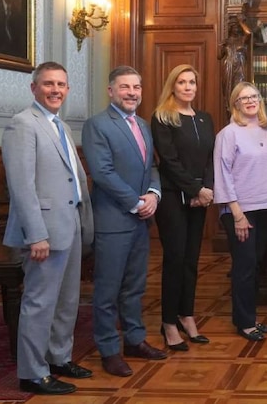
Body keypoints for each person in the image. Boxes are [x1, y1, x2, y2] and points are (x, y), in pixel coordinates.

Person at [2, 62, 94, 395]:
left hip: (69, 226)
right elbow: (22, 186)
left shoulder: (62, 126)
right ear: (34, 88)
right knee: (40, 303)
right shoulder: (22, 125)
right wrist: (35, 234)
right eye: (48, 84)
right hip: (43, 233)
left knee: (67, 300)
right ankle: (32, 371)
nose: (56, 90)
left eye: (61, 84)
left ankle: (58, 358)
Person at [82, 65, 167, 377]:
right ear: (111, 91)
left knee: (134, 286)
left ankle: (134, 339)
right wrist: (135, 202)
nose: (132, 93)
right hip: (113, 220)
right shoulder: (97, 125)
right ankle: (108, 349)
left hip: (141, 221)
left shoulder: (143, 125)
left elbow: (152, 168)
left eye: (136, 87)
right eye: (125, 87)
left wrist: (154, 195)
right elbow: (102, 173)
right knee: (107, 290)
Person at [214, 81, 267, 341]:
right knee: (244, 267)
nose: (250, 101)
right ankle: (244, 322)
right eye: (243, 98)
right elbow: (222, 176)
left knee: (256, 265)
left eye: (254, 96)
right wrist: (237, 214)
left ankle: (249, 316)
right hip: (240, 211)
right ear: (235, 104)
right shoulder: (228, 134)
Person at [151, 64, 215, 351]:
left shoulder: (204, 119)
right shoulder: (163, 117)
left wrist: (208, 190)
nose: (188, 87)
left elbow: (210, 158)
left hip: (200, 197)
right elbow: (169, 160)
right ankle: (167, 323)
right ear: (172, 86)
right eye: (182, 82)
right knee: (175, 259)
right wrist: (195, 189)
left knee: (192, 259)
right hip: (173, 196)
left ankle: (186, 315)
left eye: (192, 82)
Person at [219, 17, 251, 104]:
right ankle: (229, 112)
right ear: (231, 29)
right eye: (234, 27)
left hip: (239, 68)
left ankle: (239, 112)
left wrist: (241, 22)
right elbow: (219, 56)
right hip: (228, 67)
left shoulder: (242, 40)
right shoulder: (227, 42)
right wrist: (221, 47)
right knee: (227, 91)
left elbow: (248, 33)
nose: (236, 29)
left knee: (239, 90)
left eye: (238, 28)